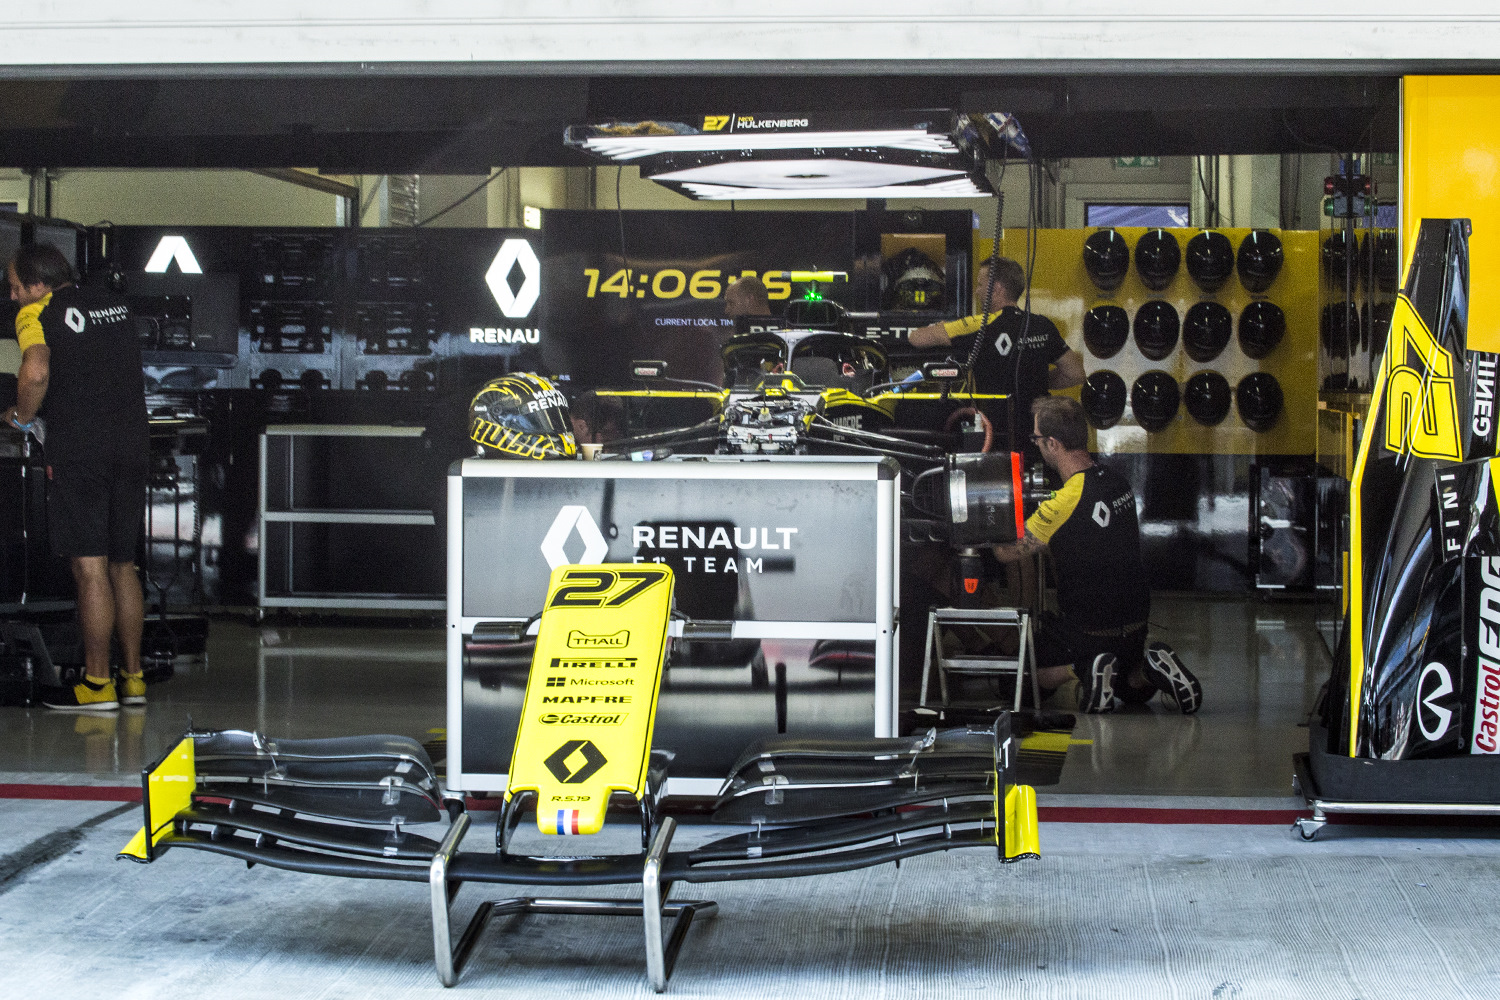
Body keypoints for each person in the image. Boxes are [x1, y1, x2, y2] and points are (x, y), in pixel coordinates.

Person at [3, 244, 149, 711]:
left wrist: (22, 417)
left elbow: (36, 372)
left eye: (15, 287)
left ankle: (97, 685)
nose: (12, 296)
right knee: (123, 565)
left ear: (38, 285)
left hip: (81, 452)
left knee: (90, 568)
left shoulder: (35, 313)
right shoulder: (115, 305)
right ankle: (134, 680)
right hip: (133, 445)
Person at [992, 396, 1201, 714]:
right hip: (1134, 626)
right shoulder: (1120, 484)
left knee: (1015, 681)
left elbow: (1005, 553)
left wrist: (997, 511)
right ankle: (1148, 668)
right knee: (1131, 690)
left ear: (1052, 443)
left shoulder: (1062, 503)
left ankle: (1081, 668)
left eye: (1037, 439)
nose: (1036, 445)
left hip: (1087, 631)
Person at [907, 256, 1084, 451]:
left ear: (996, 288)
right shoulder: (1043, 325)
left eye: (980, 285)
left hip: (996, 434)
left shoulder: (979, 325)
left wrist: (936, 327)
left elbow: (917, 338)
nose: (977, 291)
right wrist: (1033, 380)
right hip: (1040, 436)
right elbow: (1075, 373)